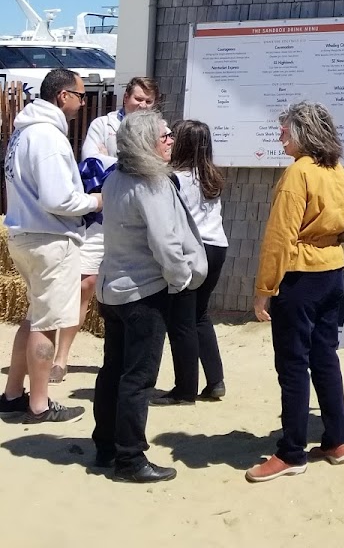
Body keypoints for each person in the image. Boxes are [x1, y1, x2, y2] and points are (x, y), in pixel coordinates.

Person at [92, 110, 207, 482]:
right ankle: (130, 459)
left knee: (112, 371)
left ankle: (106, 447)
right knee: (138, 378)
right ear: (146, 142)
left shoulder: (114, 179)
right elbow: (165, 243)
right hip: (143, 293)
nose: (171, 140)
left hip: (113, 290)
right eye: (164, 136)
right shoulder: (152, 183)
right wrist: (181, 279)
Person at [246, 102, 344, 483]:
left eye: (286, 129)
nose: (280, 134)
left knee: (292, 364)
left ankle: (291, 451)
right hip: (333, 271)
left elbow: (280, 236)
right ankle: (337, 440)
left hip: (300, 276)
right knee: (325, 357)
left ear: (303, 133)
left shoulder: (298, 173)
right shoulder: (338, 170)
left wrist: (264, 289)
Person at [1, 69, 98, 425]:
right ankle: (39, 405)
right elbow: (58, 199)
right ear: (62, 96)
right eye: (81, 96)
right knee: (46, 323)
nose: (83, 103)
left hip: (25, 235)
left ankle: (13, 395)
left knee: (34, 318)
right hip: (50, 239)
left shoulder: (23, 133)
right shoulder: (48, 136)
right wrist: (95, 201)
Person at [53, 76, 159, 383]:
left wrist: (112, 160)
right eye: (138, 99)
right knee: (85, 284)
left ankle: (125, 362)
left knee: (135, 287)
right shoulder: (103, 124)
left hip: (135, 221)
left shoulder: (158, 129)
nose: (142, 105)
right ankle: (61, 357)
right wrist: (131, 164)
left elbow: (154, 166)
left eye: (148, 101)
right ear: (126, 98)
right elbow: (91, 162)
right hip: (100, 218)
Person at [155, 119, 228, 404]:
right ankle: (215, 380)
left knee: (180, 321)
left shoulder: (174, 178)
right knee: (200, 315)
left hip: (192, 249)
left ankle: (185, 390)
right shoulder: (212, 176)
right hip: (217, 247)